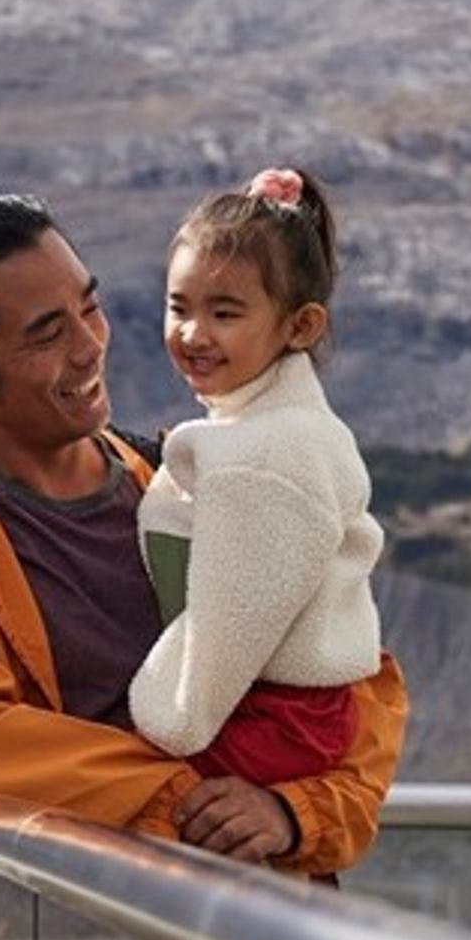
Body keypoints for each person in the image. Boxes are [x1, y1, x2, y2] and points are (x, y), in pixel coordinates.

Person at [0, 191, 408, 873]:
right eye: (47, 333)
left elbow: (355, 688)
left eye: (90, 306)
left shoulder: (184, 485)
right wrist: (190, 811)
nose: (89, 348)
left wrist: (294, 813)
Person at [130, 167, 384, 786]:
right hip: (268, 711)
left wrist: (163, 723)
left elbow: (227, 630)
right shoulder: (256, 431)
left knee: (100, 785)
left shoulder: (267, 457)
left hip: (269, 720)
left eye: (225, 312)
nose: (193, 334)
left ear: (300, 326)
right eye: (178, 307)